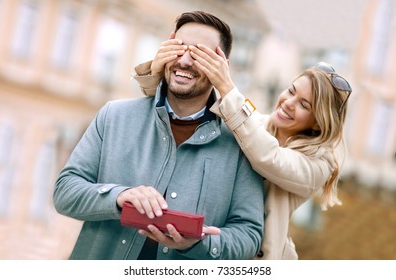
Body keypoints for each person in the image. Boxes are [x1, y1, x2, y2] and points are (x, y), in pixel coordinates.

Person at [53, 11, 264, 260]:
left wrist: (200, 243)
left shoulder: (241, 144)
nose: (185, 61)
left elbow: (249, 236)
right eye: (179, 48)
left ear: (222, 68)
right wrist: (119, 197)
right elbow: (65, 192)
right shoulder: (114, 116)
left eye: (199, 54)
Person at [134, 37, 352, 259]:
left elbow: (268, 157)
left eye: (304, 104)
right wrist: (158, 72)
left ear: (318, 122)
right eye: (291, 91)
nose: (288, 102)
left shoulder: (319, 163)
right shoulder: (254, 126)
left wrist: (227, 87)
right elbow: (188, 108)